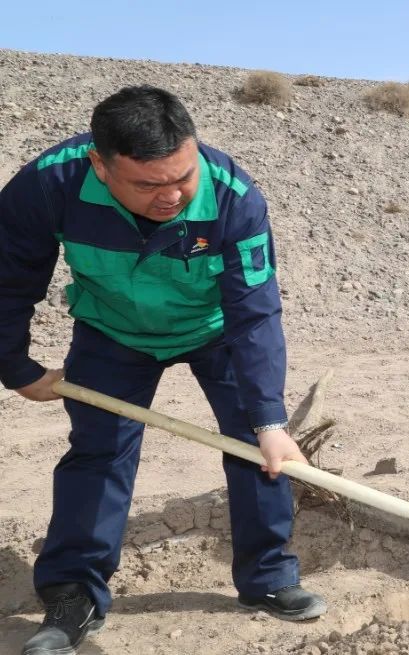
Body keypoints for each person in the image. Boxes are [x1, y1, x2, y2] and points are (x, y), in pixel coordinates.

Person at [0, 86, 326, 655]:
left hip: (215, 330)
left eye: (182, 177)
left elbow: (255, 313)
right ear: (100, 165)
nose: (171, 195)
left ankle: (270, 578)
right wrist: (14, 365)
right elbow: (7, 281)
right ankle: (74, 595)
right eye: (149, 185)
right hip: (112, 330)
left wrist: (270, 420)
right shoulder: (48, 184)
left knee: (259, 446)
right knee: (98, 453)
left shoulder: (232, 196)